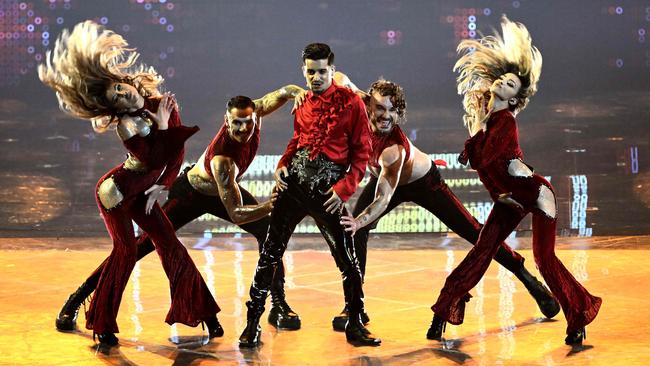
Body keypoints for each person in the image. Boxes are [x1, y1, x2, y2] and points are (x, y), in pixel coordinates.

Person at [54, 90, 306, 336]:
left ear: (255, 116)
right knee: (139, 247)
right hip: (192, 194)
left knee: (270, 233)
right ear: (226, 121)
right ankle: (78, 297)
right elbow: (238, 213)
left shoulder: (254, 113)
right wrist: (271, 205)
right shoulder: (223, 161)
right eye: (236, 124)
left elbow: (281, 94)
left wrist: (296, 91)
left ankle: (278, 304)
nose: (242, 129)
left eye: (247, 123)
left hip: (223, 191)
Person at [330, 74, 559, 332]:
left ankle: (527, 279)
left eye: (393, 111)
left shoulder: (393, 150)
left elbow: (382, 200)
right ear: (367, 105)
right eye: (380, 108)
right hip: (385, 179)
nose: (385, 115)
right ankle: (355, 306)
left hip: (424, 182)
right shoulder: (360, 101)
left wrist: (357, 221)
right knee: (356, 232)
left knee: (474, 231)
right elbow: (338, 77)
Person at [39, 21, 219, 346]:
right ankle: (98, 318)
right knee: (125, 253)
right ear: (115, 109)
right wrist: (162, 126)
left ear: (127, 81)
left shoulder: (163, 104)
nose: (124, 95)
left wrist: (164, 186)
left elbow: (175, 154)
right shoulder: (126, 126)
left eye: (121, 88)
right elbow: (151, 157)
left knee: (170, 246)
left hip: (144, 194)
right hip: (117, 194)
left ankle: (203, 311)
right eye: (117, 99)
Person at [428, 16, 601, 346]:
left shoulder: (504, 121)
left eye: (511, 85)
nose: (503, 84)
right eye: (503, 80)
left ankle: (578, 316)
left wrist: (479, 139)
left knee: (544, 259)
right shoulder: (488, 119)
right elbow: (484, 168)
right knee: (481, 252)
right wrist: (498, 193)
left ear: (514, 98)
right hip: (509, 197)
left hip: (535, 193)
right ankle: (441, 312)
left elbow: (489, 159)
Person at [238, 43, 380, 347]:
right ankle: (252, 324)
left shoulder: (352, 103)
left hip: (329, 192)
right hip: (293, 187)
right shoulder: (302, 101)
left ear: (332, 70)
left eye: (322, 71)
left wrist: (344, 190)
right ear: (304, 70)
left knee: (347, 260)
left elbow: (362, 153)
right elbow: (297, 140)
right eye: (310, 72)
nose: (315, 77)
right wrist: (281, 165)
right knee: (269, 255)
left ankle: (355, 324)